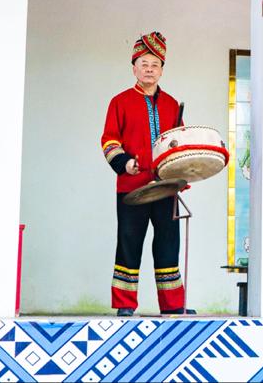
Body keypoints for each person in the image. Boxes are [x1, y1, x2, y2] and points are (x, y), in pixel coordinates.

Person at [101, 31, 191, 317]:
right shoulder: (119, 102)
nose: (149, 69)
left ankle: (173, 305)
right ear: (134, 69)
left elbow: (179, 145)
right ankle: (125, 304)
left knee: (168, 244)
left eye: (155, 64)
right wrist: (125, 163)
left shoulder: (172, 105)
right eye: (144, 64)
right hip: (131, 187)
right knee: (129, 243)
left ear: (162, 70)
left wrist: (183, 171)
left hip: (166, 187)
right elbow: (109, 140)